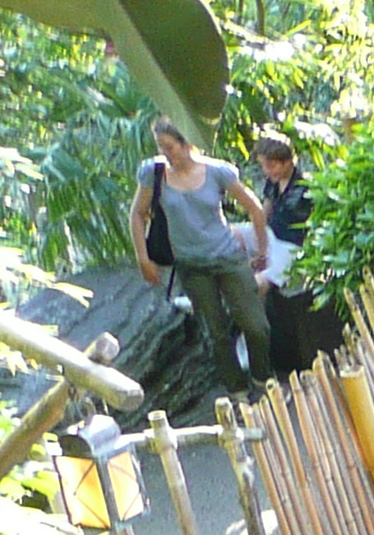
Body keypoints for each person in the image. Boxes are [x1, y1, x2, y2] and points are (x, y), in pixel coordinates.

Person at [128, 119, 272, 387]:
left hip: (228, 257)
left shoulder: (218, 172)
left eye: (170, 147)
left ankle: (263, 378)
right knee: (216, 333)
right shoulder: (153, 173)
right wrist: (143, 258)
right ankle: (237, 390)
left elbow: (254, 209)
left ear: (186, 144)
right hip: (191, 265)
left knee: (255, 326)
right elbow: (137, 213)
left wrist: (262, 251)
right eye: (161, 147)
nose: (165, 153)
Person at [251, 132, 315, 377]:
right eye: (264, 166)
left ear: (287, 161)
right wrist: (259, 246)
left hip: (291, 246)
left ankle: (253, 335)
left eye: (271, 165)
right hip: (271, 235)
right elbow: (264, 213)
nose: (267, 170)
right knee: (233, 234)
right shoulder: (272, 182)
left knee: (259, 284)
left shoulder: (305, 187)